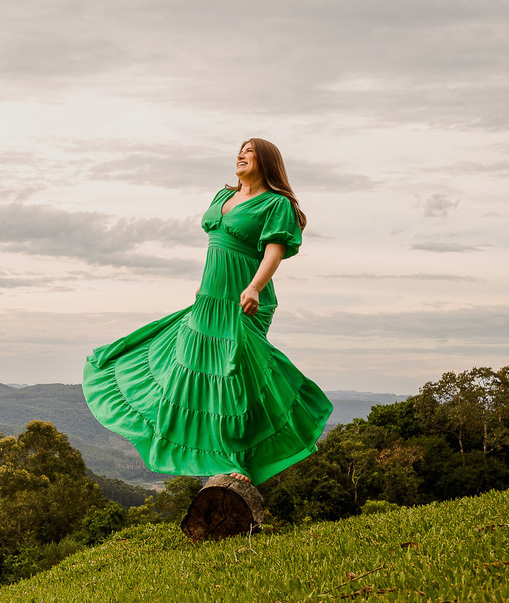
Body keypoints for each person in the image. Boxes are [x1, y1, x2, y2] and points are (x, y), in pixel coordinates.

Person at [82, 138, 333, 485]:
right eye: (239, 150)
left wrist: (254, 287)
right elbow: (217, 246)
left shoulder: (277, 204)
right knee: (187, 372)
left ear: (268, 162)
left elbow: (273, 253)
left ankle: (237, 460)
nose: (240, 155)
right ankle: (207, 452)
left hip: (244, 298)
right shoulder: (222, 196)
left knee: (232, 380)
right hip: (209, 299)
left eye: (249, 151)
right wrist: (205, 287)